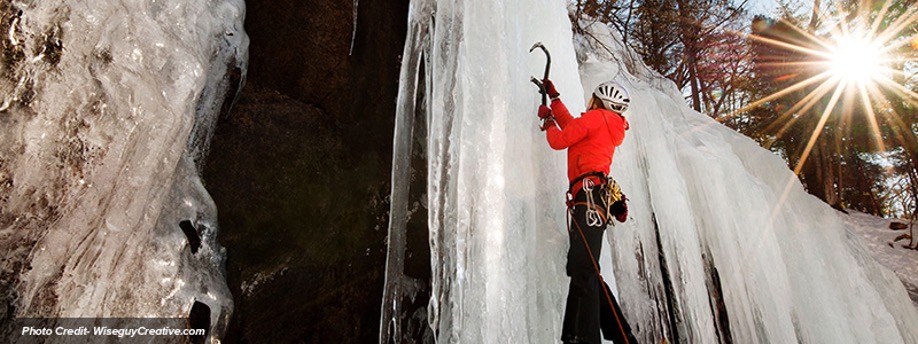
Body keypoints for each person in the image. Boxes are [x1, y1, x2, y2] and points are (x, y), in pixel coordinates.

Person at [537, 79, 637, 344]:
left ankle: (584, 338)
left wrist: (547, 121)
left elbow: (559, 140)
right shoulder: (605, 123)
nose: (589, 102)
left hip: (588, 198)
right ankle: (617, 336)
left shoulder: (596, 118)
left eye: (593, 98)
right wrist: (555, 99)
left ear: (600, 102)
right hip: (593, 201)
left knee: (584, 267)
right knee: (583, 265)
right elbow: (572, 127)